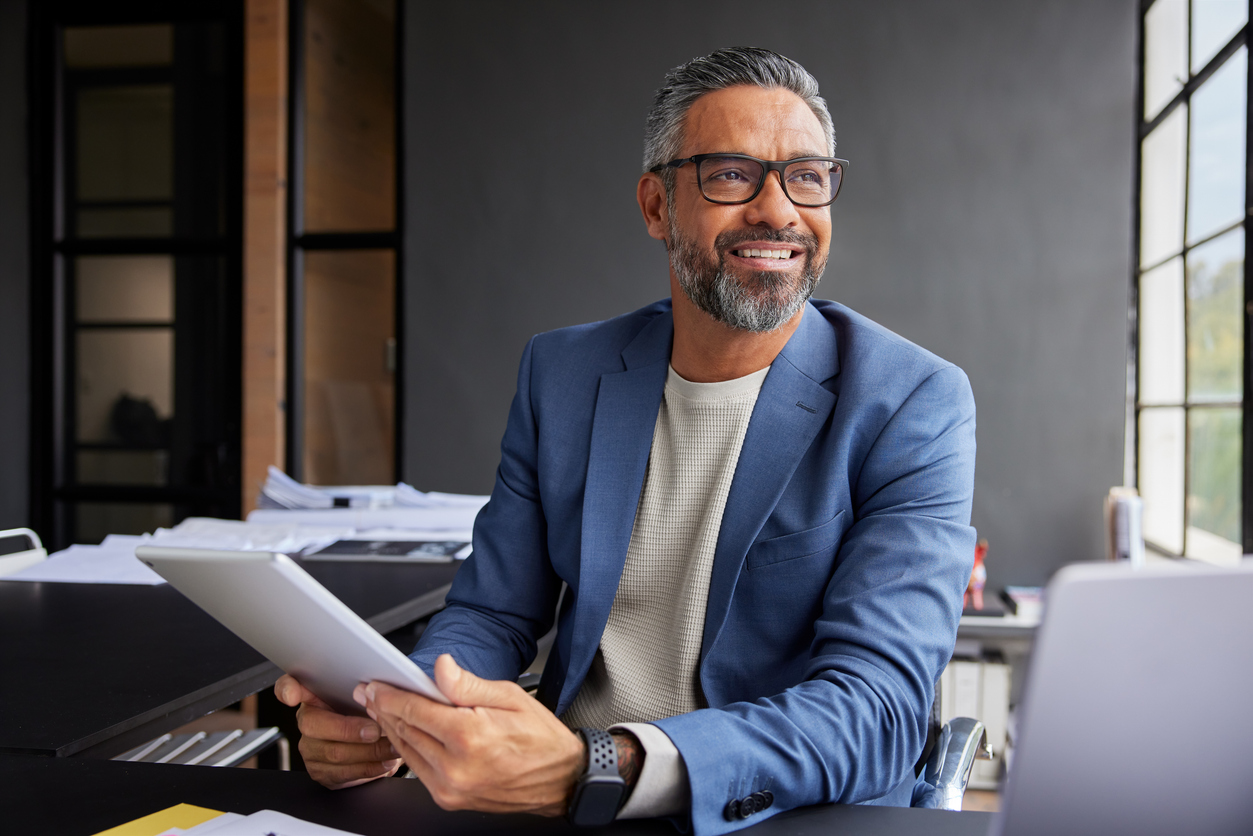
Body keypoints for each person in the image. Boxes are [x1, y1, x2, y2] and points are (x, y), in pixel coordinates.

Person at [276, 46, 976, 835]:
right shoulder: (564, 371)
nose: (777, 210)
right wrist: (399, 713)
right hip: (561, 804)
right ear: (656, 206)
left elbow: (875, 710)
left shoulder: (911, 400)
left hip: (767, 814)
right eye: (730, 174)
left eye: (806, 176)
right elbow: (493, 613)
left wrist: (599, 765)